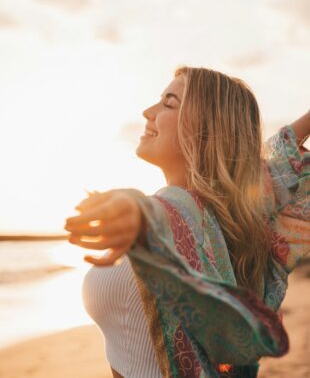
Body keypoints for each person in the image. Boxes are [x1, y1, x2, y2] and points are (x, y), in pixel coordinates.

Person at [65, 67, 310, 378]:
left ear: (208, 130)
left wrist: (134, 210)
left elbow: (155, 215)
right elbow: (281, 160)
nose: (148, 112)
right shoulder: (235, 214)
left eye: (169, 103)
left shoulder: (177, 214)